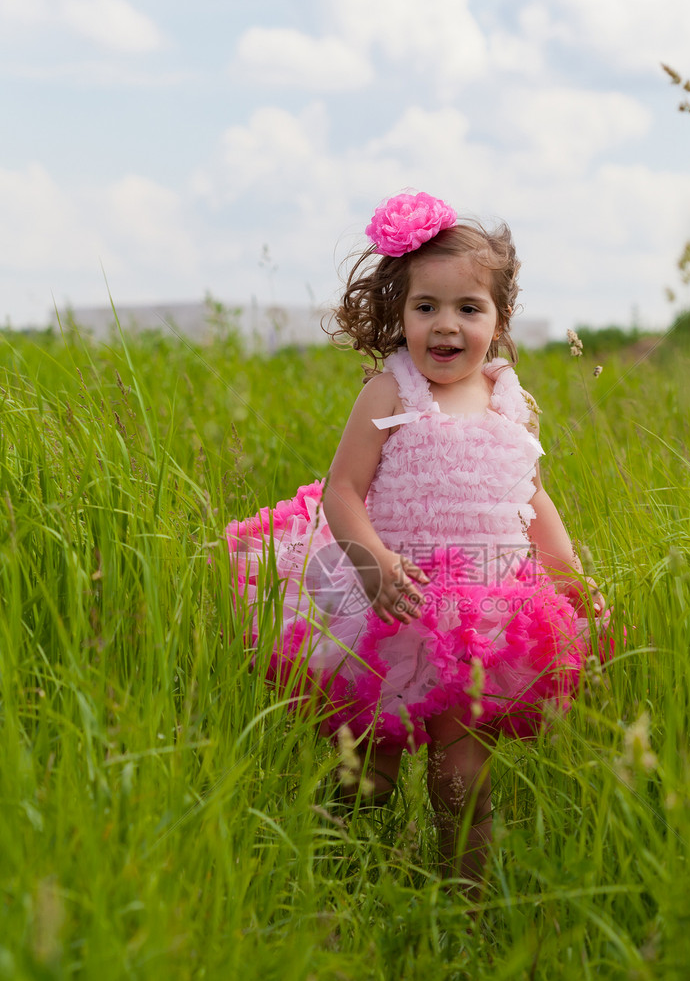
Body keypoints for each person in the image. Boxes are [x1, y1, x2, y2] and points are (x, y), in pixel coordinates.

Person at [227, 192, 606, 891]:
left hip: (482, 616)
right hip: (389, 602)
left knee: (461, 779)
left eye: (469, 308)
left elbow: (532, 496)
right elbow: (343, 489)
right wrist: (370, 566)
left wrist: (571, 579)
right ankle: (338, 884)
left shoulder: (507, 397)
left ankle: (463, 906)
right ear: (399, 314)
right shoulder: (389, 392)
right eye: (426, 307)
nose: (446, 325)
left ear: (499, 319)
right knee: (367, 770)